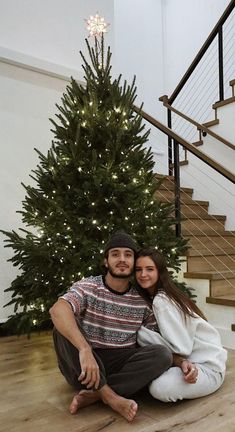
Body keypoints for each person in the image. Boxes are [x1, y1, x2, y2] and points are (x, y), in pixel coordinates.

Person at [49, 231, 173, 422]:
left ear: (133, 262)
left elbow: (154, 339)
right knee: (62, 328)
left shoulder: (142, 301)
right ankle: (111, 397)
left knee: (162, 354)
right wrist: (84, 349)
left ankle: (97, 394)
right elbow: (57, 310)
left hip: (118, 363)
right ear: (106, 261)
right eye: (115, 254)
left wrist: (181, 361)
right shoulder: (89, 286)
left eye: (128, 255)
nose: (122, 259)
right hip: (82, 366)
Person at [136, 248, 227, 402]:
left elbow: (181, 348)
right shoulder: (155, 297)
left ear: (160, 272)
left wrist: (140, 334)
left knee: (160, 388)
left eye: (149, 269)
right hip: (186, 364)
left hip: (206, 369)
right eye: (138, 269)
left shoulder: (162, 301)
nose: (143, 274)